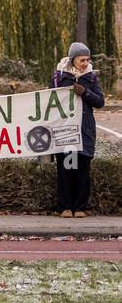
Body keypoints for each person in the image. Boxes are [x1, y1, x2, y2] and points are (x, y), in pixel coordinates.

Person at [51, 42, 106, 218]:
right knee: (67, 168)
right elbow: (50, 99)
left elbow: (100, 102)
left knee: (82, 170)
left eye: (87, 60)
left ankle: (80, 207)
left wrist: (85, 93)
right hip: (66, 131)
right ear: (73, 59)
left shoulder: (90, 78)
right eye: (82, 59)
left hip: (84, 131)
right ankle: (65, 207)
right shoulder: (60, 76)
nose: (85, 63)